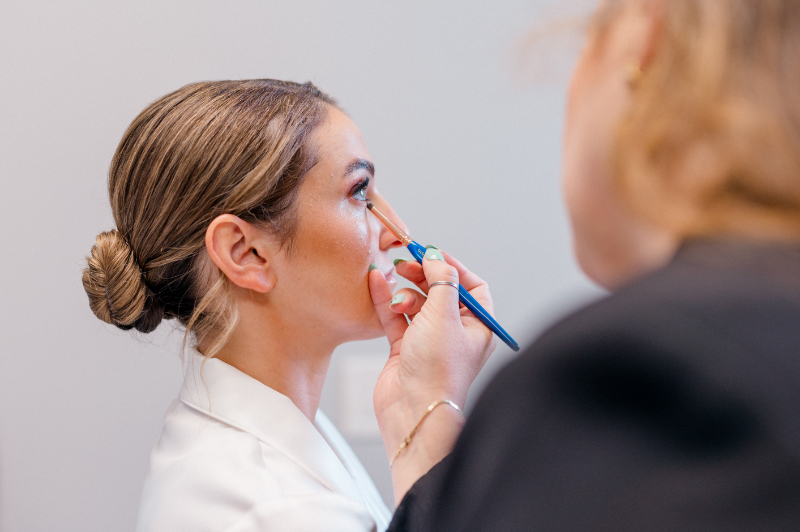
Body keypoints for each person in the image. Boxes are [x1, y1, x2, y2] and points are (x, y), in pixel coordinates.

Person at [368, 0, 800, 530]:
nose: (382, 228)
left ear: (646, 49)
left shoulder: (647, 370)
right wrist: (423, 411)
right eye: (357, 195)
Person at [82, 79, 410, 531]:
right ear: (245, 253)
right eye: (359, 192)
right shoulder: (278, 509)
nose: (396, 232)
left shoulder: (280, 436)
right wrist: (429, 426)